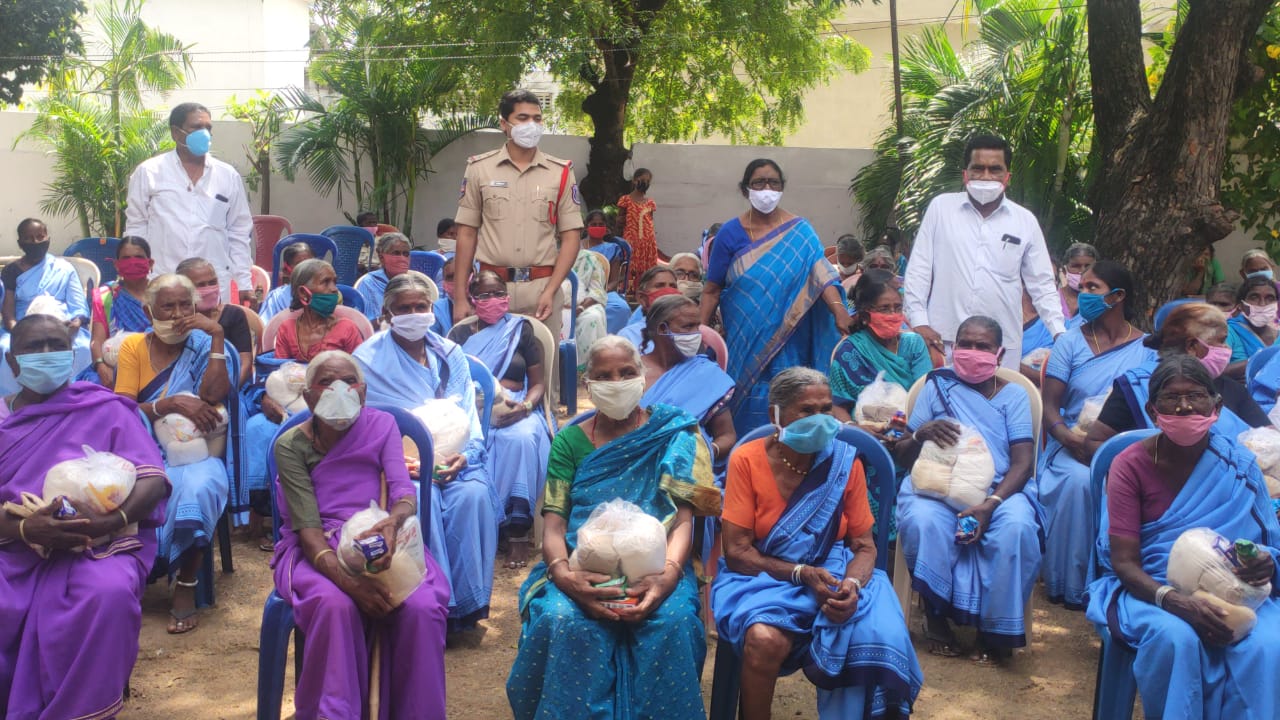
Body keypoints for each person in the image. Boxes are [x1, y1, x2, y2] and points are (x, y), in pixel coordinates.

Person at [506, 336, 722, 719]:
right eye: (604, 375)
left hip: (659, 568)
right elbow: (554, 526)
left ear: (643, 376)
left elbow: (683, 521)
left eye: (627, 372)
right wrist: (563, 576)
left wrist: (668, 577)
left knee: (671, 622)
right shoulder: (570, 442)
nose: (617, 381)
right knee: (563, 620)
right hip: (580, 565)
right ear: (589, 383)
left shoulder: (672, 433)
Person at [713, 368, 922, 719]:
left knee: (883, 633)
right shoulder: (746, 460)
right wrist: (800, 573)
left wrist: (852, 585)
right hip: (762, 577)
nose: (821, 420)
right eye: (806, 411)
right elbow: (737, 553)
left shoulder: (844, 462)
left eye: (826, 409)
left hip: (834, 571)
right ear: (775, 416)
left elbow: (864, 546)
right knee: (765, 640)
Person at [1086, 355, 1280, 720]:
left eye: (1195, 396)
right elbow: (1124, 561)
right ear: (1151, 409)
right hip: (1150, 588)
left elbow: (1270, 543)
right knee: (1178, 640)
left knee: (1269, 645)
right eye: (1171, 398)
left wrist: (1264, 562)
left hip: (1235, 589)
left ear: (1217, 406)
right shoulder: (1129, 465)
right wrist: (1176, 601)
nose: (1185, 406)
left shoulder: (1239, 463)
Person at [0, 314, 169, 720]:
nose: (46, 354)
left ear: (72, 354)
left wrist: (109, 523)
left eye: (55, 345)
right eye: (34, 347)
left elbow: (152, 480)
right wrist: (27, 528)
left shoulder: (106, 408)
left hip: (99, 546)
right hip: (12, 547)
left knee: (106, 595)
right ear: (13, 361)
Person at [270, 351, 449, 719]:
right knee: (336, 606)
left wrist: (392, 524)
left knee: (422, 608)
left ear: (363, 392)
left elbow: (402, 492)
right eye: (326, 382)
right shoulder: (290, 446)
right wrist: (352, 585)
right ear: (308, 397)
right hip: (316, 552)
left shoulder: (381, 425)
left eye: (349, 381)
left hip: (382, 539)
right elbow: (308, 531)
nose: (340, 390)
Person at [353, 272, 498, 631]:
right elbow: (363, 423)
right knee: (420, 500)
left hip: (457, 459)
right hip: (399, 463)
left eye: (422, 306)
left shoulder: (450, 354)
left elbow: (468, 413)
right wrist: (398, 461)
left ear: (433, 310)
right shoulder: (366, 359)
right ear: (388, 312)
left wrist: (468, 455)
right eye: (405, 308)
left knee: (473, 497)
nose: (414, 313)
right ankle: (430, 606)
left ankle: (466, 608)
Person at [895, 315, 1042, 663]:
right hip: (938, 484)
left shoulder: (1014, 396)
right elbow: (901, 455)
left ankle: (995, 632)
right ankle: (936, 615)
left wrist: (990, 504)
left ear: (1000, 353)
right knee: (921, 519)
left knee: (1018, 528)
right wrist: (921, 433)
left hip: (1000, 490)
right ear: (953, 347)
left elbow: (1022, 463)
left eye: (983, 346)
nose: (972, 352)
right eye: (965, 344)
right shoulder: (936, 387)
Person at [113, 274, 235, 634]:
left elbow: (213, 398)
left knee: (199, 486)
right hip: (140, 449)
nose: (179, 314)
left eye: (186, 305)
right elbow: (122, 410)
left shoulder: (202, 343)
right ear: (149, 310)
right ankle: (135, 573)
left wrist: (216, 336)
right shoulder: (133, 346)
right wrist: (168, 404)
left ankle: (186, 583)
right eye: (168, 306)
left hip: (195, 453)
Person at [700, 158, 851, 433]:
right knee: (746, 396)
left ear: (782, 188)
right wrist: (699, 332)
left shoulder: (801, 231)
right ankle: (747, 457)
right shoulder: (730, 234)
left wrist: (840, 310)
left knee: (794, 394)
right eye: (759, 182)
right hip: (745, 337)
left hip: (793, 337)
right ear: (746, 189)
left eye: (774, 182)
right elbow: (712, 290)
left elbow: (821, 274)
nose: (766, 188)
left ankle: (797, 453)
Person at [1037, 261, 1156, 610]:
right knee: (1078, 483)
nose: (1082, 294)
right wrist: (1073, 441)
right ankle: (1071, 586)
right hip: (1071, 444)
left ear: (1117, 297)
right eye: (1082, 287)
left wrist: (1115, 448)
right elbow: (1049, 407)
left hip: (1129, 445)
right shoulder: (1070, 343)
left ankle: (1121, 582)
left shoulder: (1148, 347)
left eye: (1093, 288)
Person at [903, 134, 1065, 369]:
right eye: (978, 169)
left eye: (995, 169)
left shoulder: (1024, 221)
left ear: (1007, 177)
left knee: (997, 402)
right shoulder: (941, 209)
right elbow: (919, 270)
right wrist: (919, 322)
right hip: (944, 339)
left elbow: (1041, 283)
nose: (986, 176)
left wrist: (1058, 331)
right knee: (942, 401)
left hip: (1001, 346)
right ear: (965, 174)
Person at [453, 89, 583, 345]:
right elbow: (466, 233)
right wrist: (460, 297)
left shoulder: (561, 173)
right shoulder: (480, 168)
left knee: (545, 371)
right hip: (491, 288)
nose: (531, 125)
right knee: (492, 368)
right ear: (504, 124)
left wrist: (552, 289)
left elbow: (571, 237)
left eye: (537, 118)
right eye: (523, 118)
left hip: (542, 289)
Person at [448, 270, 552, 569]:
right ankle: (486, 524)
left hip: (518, 404)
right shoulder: (459, 336)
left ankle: (517, 532)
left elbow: (538, 383)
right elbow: (451, 382)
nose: (493, 300)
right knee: (471, 442)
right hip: (473, 404)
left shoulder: (522, 330)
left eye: (498, 293)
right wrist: (479, 405)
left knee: (519, 439)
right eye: (484, 295)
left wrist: (526, 407)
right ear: (472, 299)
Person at [1086, 303, 1272, 451]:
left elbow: (1271, 441)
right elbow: (1094, 443)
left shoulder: (1231, 388)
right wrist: (1141, 468)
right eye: (1221, 341)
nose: (1226, 350)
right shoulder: (1138, 385)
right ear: (1192, 346)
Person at [124, 102, 254, 307]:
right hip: (164, 281)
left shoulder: (227, 176)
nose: (205, 134)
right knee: (166, 336)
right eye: (197, 128)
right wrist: (137, 277)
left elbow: (239, 232)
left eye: (208, 128)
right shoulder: (149, 172)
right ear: (176, 133)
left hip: (211, 286)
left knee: (212, 336)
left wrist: (244, 282)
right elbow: (136, 227)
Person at [641, 295, 736, 460]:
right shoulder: (630, 371)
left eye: (697, 326)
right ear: (663, 329)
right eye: (688, 326)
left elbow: (727, 435)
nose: (696, 334)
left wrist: (704, 453)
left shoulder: (707, 374)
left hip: (689, 471)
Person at [0, 218, 92, 387]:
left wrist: (75, 323)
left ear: (48, 238)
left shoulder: (64, 268)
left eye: (40, 236)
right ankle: (14, 401)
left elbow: (78, 305)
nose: (35, 242)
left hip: (62, 326)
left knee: (84, 347)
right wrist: (19, 332)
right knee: (6, 347)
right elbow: (8, 314)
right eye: (29, 238)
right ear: (20, 243)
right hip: (21, 327)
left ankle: (74, 396)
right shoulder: (11, 271)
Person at [829, 270, 931, 420]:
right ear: (864, 316)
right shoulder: (850, 351)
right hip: (866, 430)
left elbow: (924, 393)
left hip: (913, 424)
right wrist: (857, 430)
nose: (893, 315)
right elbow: (838, 405)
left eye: (897, 308)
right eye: (884, 309)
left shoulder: (914, 344)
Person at [85, 236, 154, 386]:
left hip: (157, 363)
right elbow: (97, 341)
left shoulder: (162, 293)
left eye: (138, 257)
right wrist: (100, 365)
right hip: (116, 364)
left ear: (150, 263)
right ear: (117, 265)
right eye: (126, 258)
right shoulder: (106, 295)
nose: (133, 262)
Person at [176, 257, 254, 386]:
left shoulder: (234, 315)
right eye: (200, 285)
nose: (209, 289)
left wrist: (229, 394)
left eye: (212, 282)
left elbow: (245, 362)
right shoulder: (180, 318)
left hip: (232, 387)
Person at [274, 259, 364, 363]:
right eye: (325, 282)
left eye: (334, 282)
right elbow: (280, 371)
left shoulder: (347, 328)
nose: (334, 289)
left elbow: (358, 371)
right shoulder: (287, 329)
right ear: (303, 293)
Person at [1224, 275, 1278, 380]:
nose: (1262, 304)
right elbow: (1216, 372)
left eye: (1270, 298)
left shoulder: (1278, 333)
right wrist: (1260, 360)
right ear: (1240, 304)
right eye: (1254, 297)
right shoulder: (1227, 331)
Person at [618, 265, 680, 351]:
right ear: (642, 298)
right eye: (660, 286)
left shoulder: (687, 331)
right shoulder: (628, 336)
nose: (668, 291)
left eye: (673, 286)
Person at [355, 232, 413, 322]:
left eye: (406, 254)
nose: (402, 258)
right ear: (381, 257)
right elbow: (363, 322)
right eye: (396, 253)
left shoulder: (414, 283)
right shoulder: (369, 283)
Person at [570, 238, 610, 363]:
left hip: (583, 304)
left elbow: (597, 291)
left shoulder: (588, 258)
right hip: (554, 305)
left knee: (593, 317)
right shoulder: (546, 258)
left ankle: (587, 369)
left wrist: (580, 308)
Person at [618, 168, 658, 292]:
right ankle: (629, 293)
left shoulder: (650, 203)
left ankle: (646, 292)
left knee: (647, 270)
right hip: (632, 242)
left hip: (648, 244)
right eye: (643, 180)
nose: (645, 183)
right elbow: (619, 221)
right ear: (635, 181)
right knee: (632, 269)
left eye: (648, 181)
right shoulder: (625, 200)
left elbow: (650, 221)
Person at [260, 242, 315, 322]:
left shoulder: (327, 294)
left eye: (311, 264)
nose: (307, 269)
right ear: (286, 271)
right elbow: (264, 328)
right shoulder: (276, 298)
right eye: (300, 265)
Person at [1057, 242, 1098, 327]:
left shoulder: (1099, 302)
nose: (1082, 271)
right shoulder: (1052, 298)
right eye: (1076, 266)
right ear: (1064, 270)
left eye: (1088, 266)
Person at [433, 256, 457, 337]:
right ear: (443, 282)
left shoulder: (485, 304)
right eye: (450, 277)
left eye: (463, 275)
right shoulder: (437, 309)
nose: (457, 281)